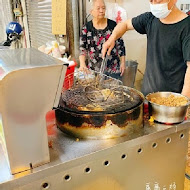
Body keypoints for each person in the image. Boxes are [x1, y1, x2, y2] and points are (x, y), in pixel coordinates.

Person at [102, 0, 190, 98]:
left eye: (157, 1)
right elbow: (125, 25)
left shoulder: (186, 26)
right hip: (148, 96)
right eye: (151, 1)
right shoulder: (150, 18)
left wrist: (183, 101)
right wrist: (111, 39)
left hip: (172, 99)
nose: (153, 4)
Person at [79, 0, 126, 80]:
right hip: (94, 71)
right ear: (91, 11)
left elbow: (121, 46)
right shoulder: (86, 28)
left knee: (113, 91)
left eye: (103, 8)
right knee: (96, 91)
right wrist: (82, 64)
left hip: (113, 70)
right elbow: (82, 48)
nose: (101, 11)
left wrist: (123, 63)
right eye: (98, 8)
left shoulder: (113, 25)